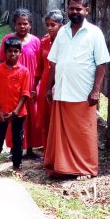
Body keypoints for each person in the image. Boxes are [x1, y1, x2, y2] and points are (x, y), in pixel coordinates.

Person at [44, 0, 110, 179]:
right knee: (61, 133)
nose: (75, 12)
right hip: (62, 90)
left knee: (83, 132)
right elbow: (54, 63)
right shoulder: (62, 32)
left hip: (83, 92)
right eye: (72, 8)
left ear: (86, 11)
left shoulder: (94, 33)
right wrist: (49, 87)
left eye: (78, 9)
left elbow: (102, 64)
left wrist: (96, 90)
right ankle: (61, 168)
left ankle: (86, 169)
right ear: (67, 10)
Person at [0, 9, 41, 158]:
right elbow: (1, 61)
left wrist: (36, 85)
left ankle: (30, 149)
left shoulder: (35, 41)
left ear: (30, 25)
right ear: (14, 24)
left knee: (31, 116)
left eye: (25, 23)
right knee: (13, 114)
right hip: (13, 86)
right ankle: (15, 149)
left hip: (31, 85)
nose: (22, 26)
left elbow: (39, 64)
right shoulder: (8, 40)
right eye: (19, 24)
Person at [0, 36, 31, 176]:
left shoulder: (24, 71)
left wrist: (15, 112)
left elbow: (25, 94)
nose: (13, 54)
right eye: (10, 51)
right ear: (5, 52)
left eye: (16, 51)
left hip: (18, 112)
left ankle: (17, 165)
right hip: (2, 112)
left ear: (20, 53)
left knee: (18, 139)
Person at [33, 10, 65, 155]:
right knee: (45, 120)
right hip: (45, 83)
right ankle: (47, 155)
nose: (50, 28)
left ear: (61, 25)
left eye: (53, 25)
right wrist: (35, 86)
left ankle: (58, 154)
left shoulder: (66, 41)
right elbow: (39, 67)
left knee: (58, 121)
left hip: (60, 83)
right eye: (47, 25)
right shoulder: (44, 41)